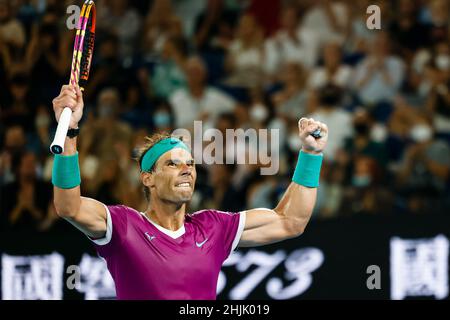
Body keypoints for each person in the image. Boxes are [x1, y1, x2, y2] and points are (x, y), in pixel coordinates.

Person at [51, 84, 329, 300]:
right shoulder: (124, 226)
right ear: (148, 178)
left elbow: (290, 221)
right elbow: (69, 207)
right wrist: (70, 131)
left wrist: (311, 155)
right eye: (173, 164)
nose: (187, 170)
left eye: (191, 164)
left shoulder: (213, 227)